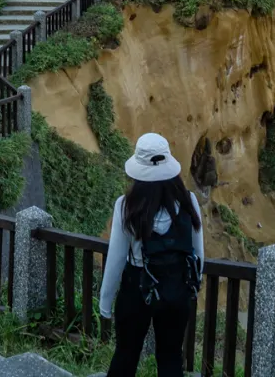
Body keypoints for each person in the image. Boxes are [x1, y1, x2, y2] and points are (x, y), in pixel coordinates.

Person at [100, 133, 203, 377]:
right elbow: (198, 254)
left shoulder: (126, 205)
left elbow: (115, 260)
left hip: (137, 287)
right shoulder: (189, 201)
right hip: (176, 288)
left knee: (126, 354)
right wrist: (191, 288)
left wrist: (105, 304)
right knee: (170, 358)